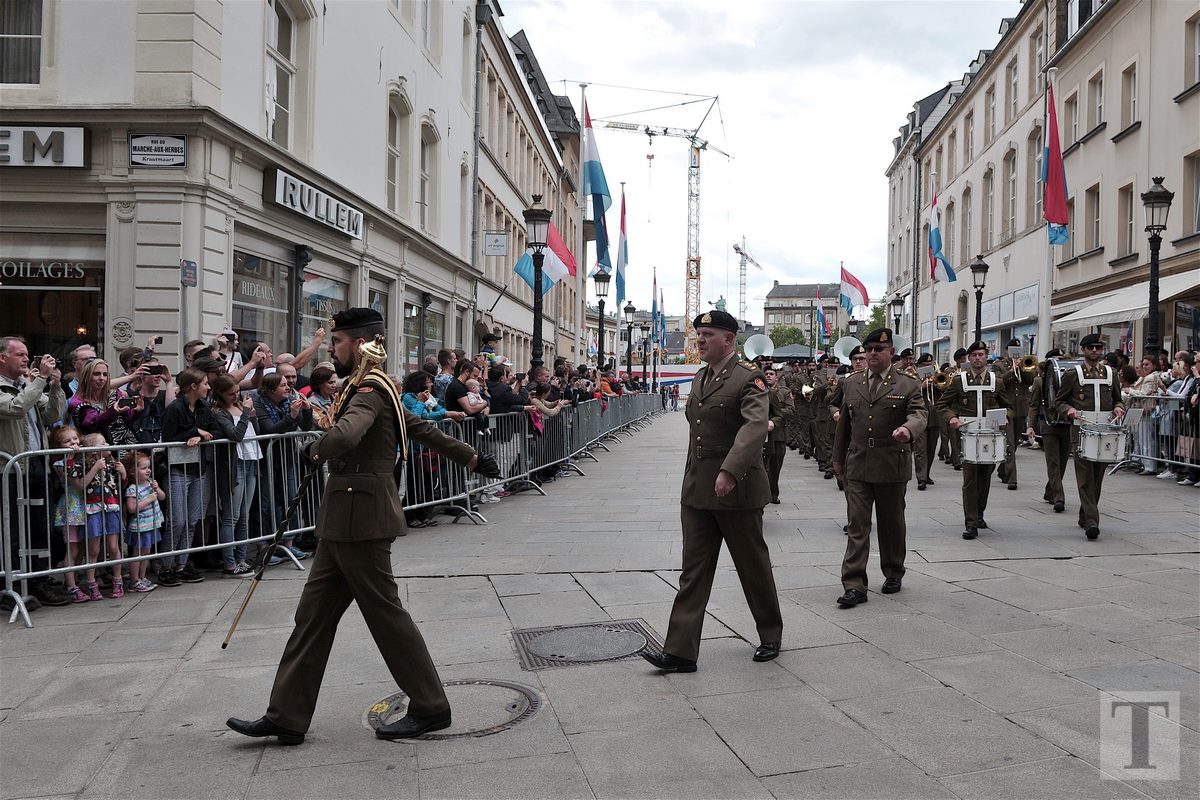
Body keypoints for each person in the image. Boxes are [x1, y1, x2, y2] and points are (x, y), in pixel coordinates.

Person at [226, 307, 501, 745]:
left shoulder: (369, 390)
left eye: (337, 342)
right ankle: (287, 715)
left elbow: (349, 434)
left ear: (358, 343)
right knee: (311, 618)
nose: (332, 349)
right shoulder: (376, 387)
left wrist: (313, 451)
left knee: (386, 615)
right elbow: (421, 430)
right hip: (344, 521)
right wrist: (470, 457)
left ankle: (431, 706)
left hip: (363, 519)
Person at [642, 309, 782, 673]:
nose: (700, 340)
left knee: (752, 566)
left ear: (729, 340)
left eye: (708, 334)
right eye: (698, 334)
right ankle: (680, 651)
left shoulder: (749, 379)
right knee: (693, 571)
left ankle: (770, 634)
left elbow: (753, 428)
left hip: (737, 490)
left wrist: (730, 470)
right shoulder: (702, 376)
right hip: (698, 490)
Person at [831, 327, 926, 608]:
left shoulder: (907, 384)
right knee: (857, 524)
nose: (872, 354)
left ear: (891, 353)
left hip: (891, 463)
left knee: (891, 523)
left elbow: (919, 413)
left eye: (878, 350)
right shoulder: (852, 383)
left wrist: (908, 430)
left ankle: (893, 571)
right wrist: (837, 458)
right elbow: (844, 427)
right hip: (858, 462)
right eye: (869, 349)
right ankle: (854, 584)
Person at [0, 338, 70, 608]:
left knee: (41, 527)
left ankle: (39, 581)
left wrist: (54, 385)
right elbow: (15, 408)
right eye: (20, 354)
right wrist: (39, 379)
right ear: (3, 358)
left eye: (27, 354)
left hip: (36, 465)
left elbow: (54, 412)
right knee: (13, 531)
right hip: (10, 469)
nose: (26, 359)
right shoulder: (9, 388)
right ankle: (12, 585)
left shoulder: (26, 386)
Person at [938, 341, 1014, 540]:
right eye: (974, 355)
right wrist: (951, 418)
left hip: (990, 435)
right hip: (967, 435)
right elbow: (942, 405)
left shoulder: (996, 381)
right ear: (969, 359)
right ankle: (970, 523)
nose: (978, 358)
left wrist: (1007, 417)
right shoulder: (959, 380)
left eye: (981, 354)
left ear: (986, 357)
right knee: (970, 480)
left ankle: (979, 514)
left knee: (985, 478)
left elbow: (1008, 406)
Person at [1054, 332, 1126, 540]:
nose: (1095, 351)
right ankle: (1093, 522)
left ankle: (1084, 515)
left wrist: (1119, 408)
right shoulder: (1072, 374)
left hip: (1104, 430)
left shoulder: (1111, 373)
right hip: (1081, 430)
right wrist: (1069, 410)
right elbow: (1058, 402)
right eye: (1090, 348)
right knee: (1085, 478)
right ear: (1083, 350)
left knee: (1097, 477)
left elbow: (1118, 399)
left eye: (1098, 348)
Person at [160, 367, 215, 586]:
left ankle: (181, 564)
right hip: (177, 470)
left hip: (198, 468)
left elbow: (213, 430)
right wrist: (194, 432)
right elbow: (168, 437)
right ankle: (165, 565)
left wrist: (199, 434)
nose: (208, 387)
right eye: (205, 384)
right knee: (178, 521)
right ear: (193, 387)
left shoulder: (204, 407)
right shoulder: (175, 408)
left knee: (192, 520)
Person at [209, 375, 262, 577]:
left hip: (251, 460)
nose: (235, 396)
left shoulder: (241, 406)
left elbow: (253, 432)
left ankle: (242, 558)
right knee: (232, 515)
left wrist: (250, 414)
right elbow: (236, 435)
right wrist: (248, 412)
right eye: (231, 393)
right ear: (221, 393)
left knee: (244, 516)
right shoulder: (218, 412)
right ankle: (230, 563)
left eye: (237, 391)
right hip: (234, 464)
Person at [78, 432, 127, 599]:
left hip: (111, 506)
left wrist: (123, 473)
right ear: (92, 451)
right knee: (94, 549)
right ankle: (91, 583)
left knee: (114, 547)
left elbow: (120, 485)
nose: (107, 446)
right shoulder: (86, 465)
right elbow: (82, 484)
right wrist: (95, 468)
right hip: (93, 507)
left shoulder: (113, 463)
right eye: (103, 443)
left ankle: (117, 580)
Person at [1027, 349, 1072, 513]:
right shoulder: (1040, 381)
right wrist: (1030, 425)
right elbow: (1034, 405)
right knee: (1053, 462)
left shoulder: (1072, 377)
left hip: (1067, 424)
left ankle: (1049, 490)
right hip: (1049, 424)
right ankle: (1059, 498)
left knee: (1063, 463)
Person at [121, 450, 163, 592]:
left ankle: (142, 576)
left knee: (146, 553)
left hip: (151, 523)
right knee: (138, 554)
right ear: (133, 472)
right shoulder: (133, 489)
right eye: (144, 468)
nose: (148, 470)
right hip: (141, 526)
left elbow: (162, 497)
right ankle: (134, 580)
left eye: (148, 467)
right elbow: (131, 508)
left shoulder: (150, 483)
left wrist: (157, 489)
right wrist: (148, 499)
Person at [995, 339, 1035, 490]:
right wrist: (1011, 370)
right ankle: (1012, 479)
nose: (1016, 352)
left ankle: (1002, 469)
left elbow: (1030, 381)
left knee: (1015, 442)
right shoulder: (998, 365)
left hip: (1021, 409)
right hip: (1005, 409)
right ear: (1007, 351)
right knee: (1010, 444)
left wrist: (1023, 369)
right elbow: (997, 382)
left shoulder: (1026, 363)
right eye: (1013, 349)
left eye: (1019, 349)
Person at [763, 365, 793, 504]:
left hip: (778, 434)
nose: (768, 376)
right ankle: (764, 493)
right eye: (766, 373)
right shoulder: (758, 391)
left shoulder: (784, 391)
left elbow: (791, 410)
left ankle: (773, 493)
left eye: (771, 374)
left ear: (776, 376)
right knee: (764, 466)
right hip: (762, 435)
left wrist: (777, 412)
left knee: (775, 466)